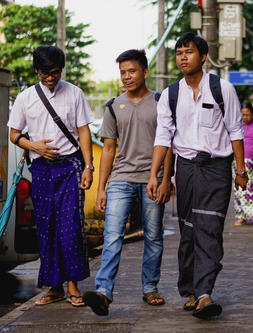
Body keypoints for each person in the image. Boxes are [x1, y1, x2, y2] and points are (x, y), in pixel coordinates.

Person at [147, 32, 247, 320]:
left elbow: (236, 131)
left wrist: (240, 171)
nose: (182, 57)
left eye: (188, 52)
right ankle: (189, 289)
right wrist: (156, 175)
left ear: (202, 56)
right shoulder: (170, 94)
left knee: (210, 228)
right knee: (189, 229)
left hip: (216, 168)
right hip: (186, 168)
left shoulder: (222, 88)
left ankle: (205, 294)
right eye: (179, 52)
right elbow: (163, 136)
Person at [82, 50, 169, 315]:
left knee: (153, 237)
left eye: (132, 71)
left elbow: (169, 144)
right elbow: (108, 149)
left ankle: (150, 288)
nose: (127, 77)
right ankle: (103, 292)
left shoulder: (160, 101)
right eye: (123, 72)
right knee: (112, 236)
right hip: (121, 178)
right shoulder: (112, 105)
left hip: (153, 179)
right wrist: (102, 187)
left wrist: (167, 179)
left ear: (145, 72)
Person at [8, 46, 94, 307]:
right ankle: (54, 287)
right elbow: (13, 134)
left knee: (71, 228)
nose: (50, 78)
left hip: (70, 167)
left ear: (61, 70)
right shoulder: (25, 98)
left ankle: (73, 286)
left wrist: (89, 167)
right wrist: (34, 146)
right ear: (37, 71)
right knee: (47, 229)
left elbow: (84, 132)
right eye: (45, 73)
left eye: (55, 73)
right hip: (41, 169)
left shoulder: (74, 93)